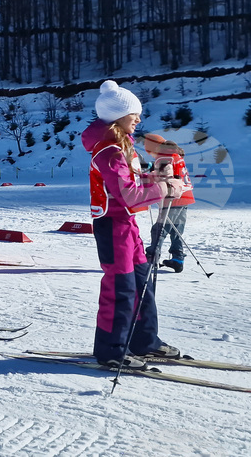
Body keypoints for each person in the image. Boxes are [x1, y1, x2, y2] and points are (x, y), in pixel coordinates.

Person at [81, 80, 187, 370]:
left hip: (127, 226)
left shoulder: (121, 146)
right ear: (118, 116)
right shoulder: (109, 151)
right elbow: (127, 195)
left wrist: (158, 177)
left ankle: (144, 341)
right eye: (134, 114)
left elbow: (132, 183)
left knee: (142, 284)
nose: (139, 119)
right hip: (112, 226)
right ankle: (111, 349)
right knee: (121, 289)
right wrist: (165, 190)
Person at [143, 135, 194, 273]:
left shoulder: (163, 157)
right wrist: (154, 168)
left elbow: (164, 177)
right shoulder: (175, 155)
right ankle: (178, 259)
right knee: (176, 229)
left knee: (159, 229)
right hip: (185, 195)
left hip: (173, 197)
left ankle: (151, 257)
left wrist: (148, 179)